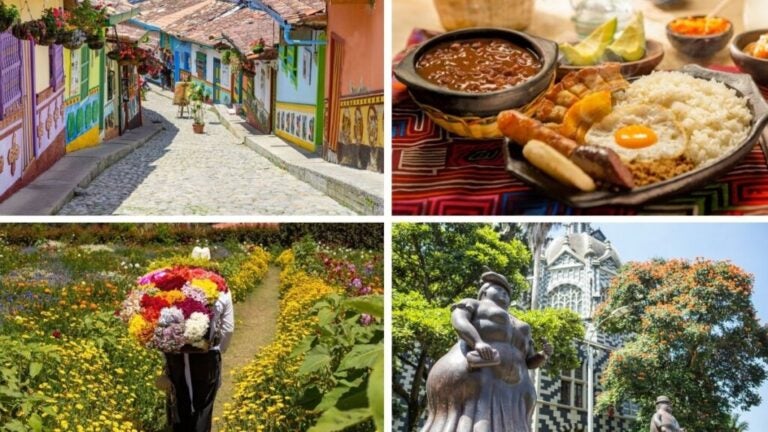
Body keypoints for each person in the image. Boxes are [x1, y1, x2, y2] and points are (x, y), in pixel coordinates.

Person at [421, 270, 553, 432]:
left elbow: (529, 361)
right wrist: (477, 342)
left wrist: (543, 355)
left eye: (506, 292)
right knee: (470, 420)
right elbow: (458, 320)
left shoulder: (520, 323)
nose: (504, 294)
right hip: (477, 372)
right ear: (484, 291)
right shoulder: (474, 304)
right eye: (498, 290)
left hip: (514, 388)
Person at [164, 280, 234, 432]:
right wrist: (218, 349)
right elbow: (228, 328)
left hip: (177, 355)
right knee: (203, 404)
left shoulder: (175, 285)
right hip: (206, 355)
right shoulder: (221, 288)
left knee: (180, 398)